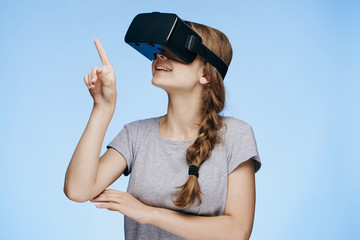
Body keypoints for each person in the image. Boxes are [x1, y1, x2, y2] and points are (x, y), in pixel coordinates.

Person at [64, 19, 261, 240]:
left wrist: (149, 214)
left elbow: (237, 232)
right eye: (160, 50)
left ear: (205, 74)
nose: (161, 55)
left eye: (176, 50)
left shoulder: (235, 135)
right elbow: (78, 190)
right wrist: (102, 107)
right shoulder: (136, 135)